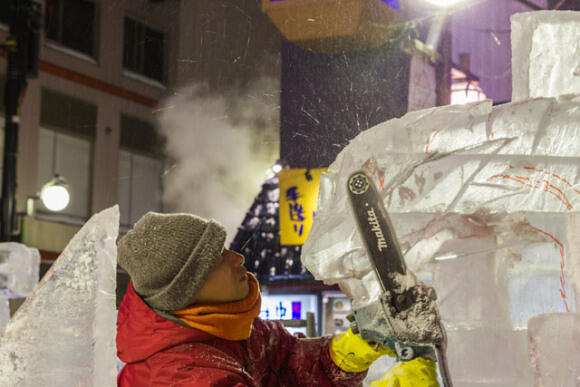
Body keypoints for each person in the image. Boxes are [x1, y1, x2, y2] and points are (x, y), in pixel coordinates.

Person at [116, 211, 438, 386]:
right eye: (217, 259)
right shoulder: (185, 377)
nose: (237, 258)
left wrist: (360, 342)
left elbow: (292, 363)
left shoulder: (233, 332)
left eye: (226, 246)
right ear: (188, 292)